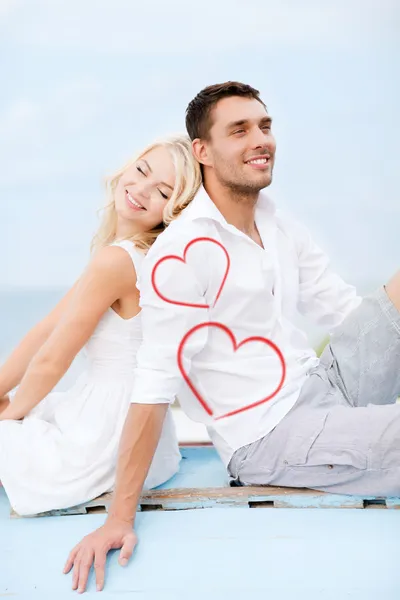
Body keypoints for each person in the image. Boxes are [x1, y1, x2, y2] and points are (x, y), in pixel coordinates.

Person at [65, 82, 400, 593]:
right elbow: (153, 389)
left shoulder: (277, 222)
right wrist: (118, 519)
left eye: (264, 126)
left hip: (321, 386)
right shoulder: (181, 254)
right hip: (267, 435)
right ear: (203, 151)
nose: (259, 139)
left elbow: (346, 312)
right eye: (238, 130)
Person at [0, 134, 202, 516]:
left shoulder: (116, 262)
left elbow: (52, 360)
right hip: (146, 434)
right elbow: (47, 327)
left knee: (13, 423)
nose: (140, 189)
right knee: (17, 408)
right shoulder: (138, 255)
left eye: (161, 191)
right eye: (141, 170)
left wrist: (8, 415)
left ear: (175, 210)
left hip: (105, 435)